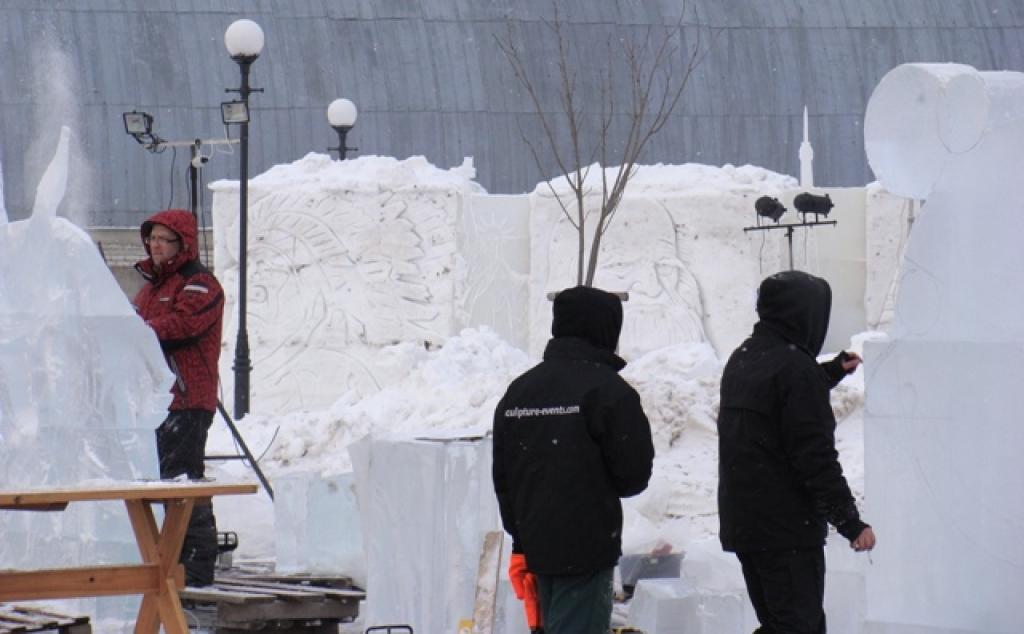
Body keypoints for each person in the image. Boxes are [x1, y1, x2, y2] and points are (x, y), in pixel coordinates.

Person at [717, 270, 876, 634]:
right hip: (785, 529)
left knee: (778, 623)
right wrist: (850, 522)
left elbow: (776, 399)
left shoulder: (744, 358)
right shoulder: (795, 370)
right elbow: (815, 458)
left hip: (747, 524)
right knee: (796, 628)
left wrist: (831, 372)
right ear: (804, 315)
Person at [492, 285, 655, 634]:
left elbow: (503, 477)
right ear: (605, 329)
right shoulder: (609, 391)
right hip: (587, 548)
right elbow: (633, 476)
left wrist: (522, 538)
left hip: (535, 549)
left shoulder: (519, 391)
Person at [132, 208, 225, 586]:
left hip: (187, 400)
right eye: (152, 238)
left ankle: (198, 565)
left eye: (163, 239)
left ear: (182, 244)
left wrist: (136, 330)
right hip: (157, 401)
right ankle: (172, 561)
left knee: (184, 481)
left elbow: (183, 325)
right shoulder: (149, 288)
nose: (155, 246)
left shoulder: (200, 284)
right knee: (164, 481)